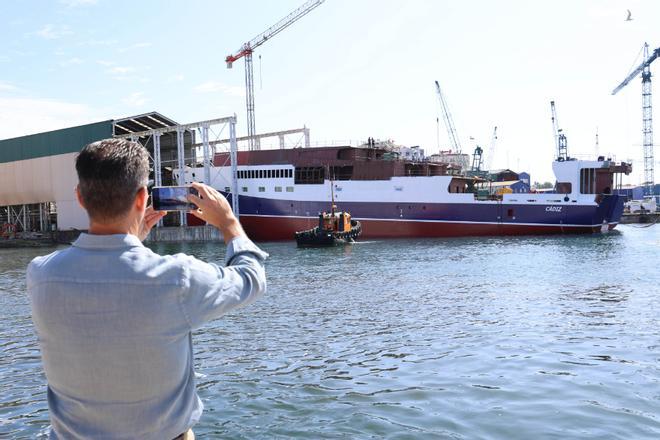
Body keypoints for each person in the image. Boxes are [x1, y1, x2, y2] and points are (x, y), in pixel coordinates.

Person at [27, 139, 267, 439]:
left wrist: (132, 241)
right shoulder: (177, 278)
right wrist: (228, 222)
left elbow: (108, 288)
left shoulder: (40, 274)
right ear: (142, 198)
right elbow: (251, 278)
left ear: (80, 197)